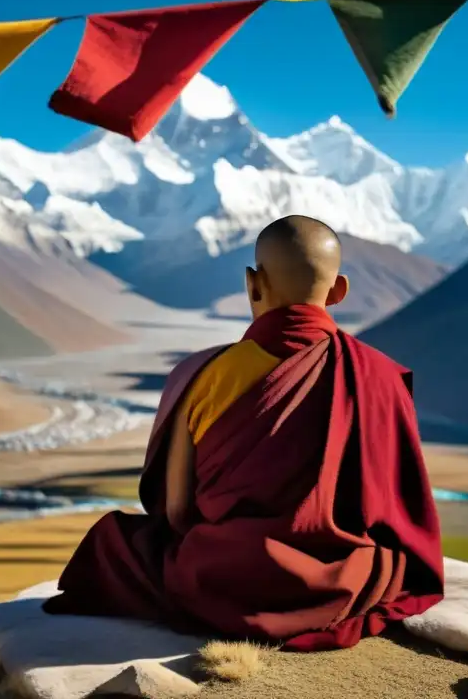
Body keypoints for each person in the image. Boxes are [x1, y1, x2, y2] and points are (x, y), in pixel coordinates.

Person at [43, 215, 444, 650]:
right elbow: (397, 519)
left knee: (115, 543)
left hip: (216, 581)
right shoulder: (377, 378)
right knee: (392, 564)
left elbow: (176, 513)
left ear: (253, 284)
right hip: (337, 587)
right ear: (339, 291)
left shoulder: (203, 375)